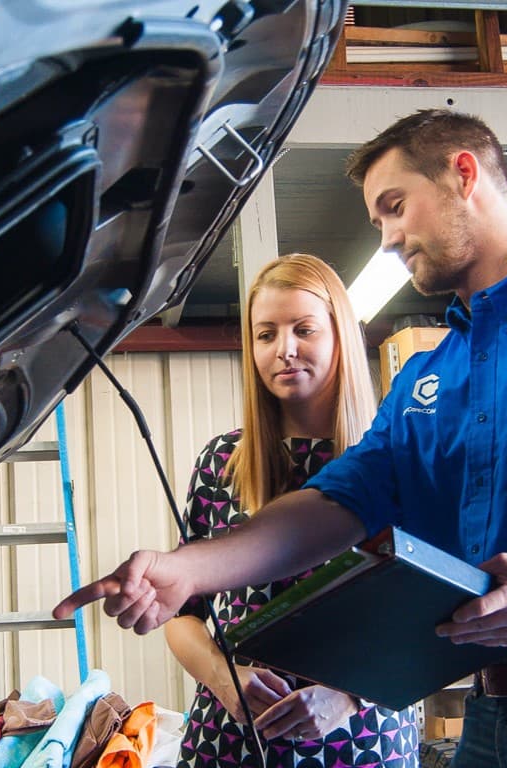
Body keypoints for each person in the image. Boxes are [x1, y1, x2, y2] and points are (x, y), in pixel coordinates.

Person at [56, 110, 507, 767]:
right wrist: (191, 570)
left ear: (464, 174)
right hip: (493, 716)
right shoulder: (429, 375)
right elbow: (338, 502)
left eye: (393, 207)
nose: (388, 237)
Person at [161, 253, 419, 768]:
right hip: (234, 740)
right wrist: (222, 677)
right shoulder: (223, 463)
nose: (285, 350)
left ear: (339, 334)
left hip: (363, 740)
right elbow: (182, 614)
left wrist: (345, 695)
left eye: (304, 329)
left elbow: (425, 618)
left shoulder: (400, 459)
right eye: (265, 334)